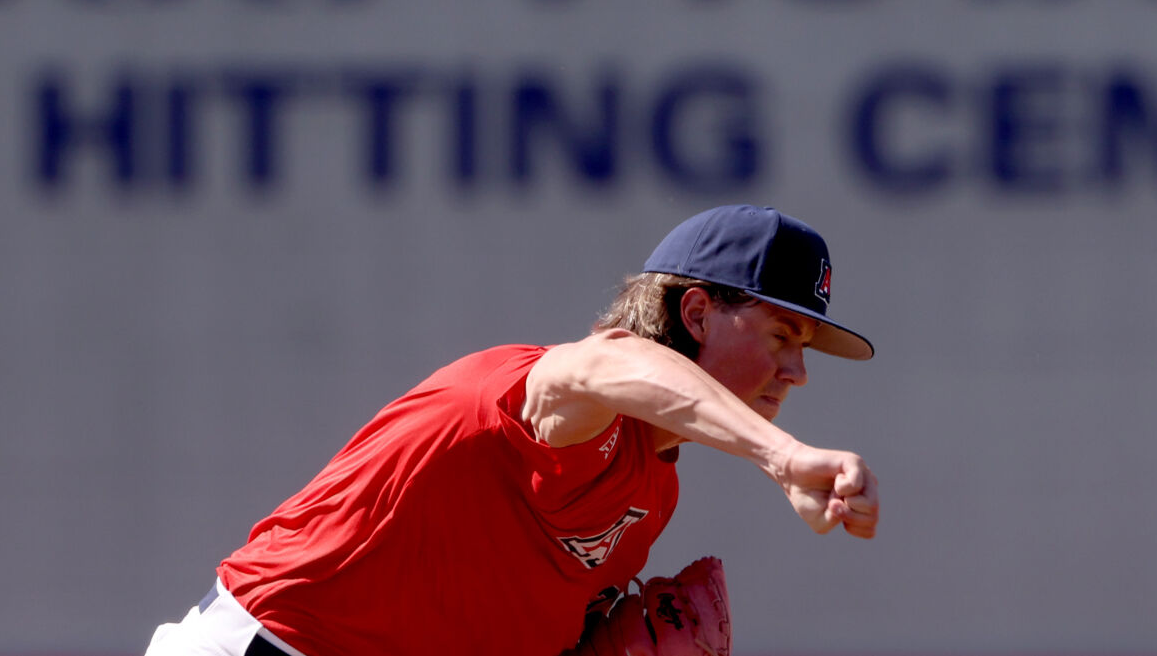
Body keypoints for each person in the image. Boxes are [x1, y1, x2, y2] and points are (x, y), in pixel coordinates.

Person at [143, 204, 882, 656]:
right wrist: (782, 457)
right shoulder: (563, 403)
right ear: (695, 313)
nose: (797, 370)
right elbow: (607, 364)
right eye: (781, 335)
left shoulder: (655, 490)